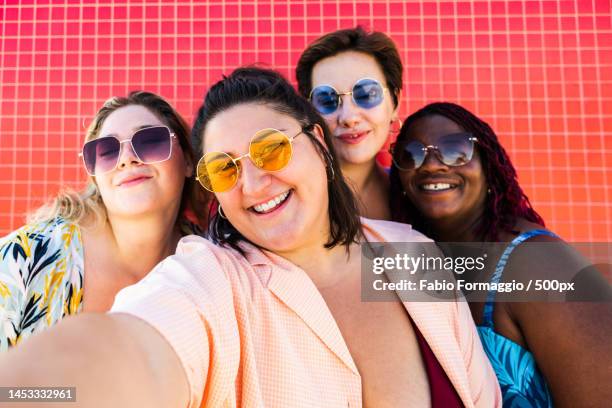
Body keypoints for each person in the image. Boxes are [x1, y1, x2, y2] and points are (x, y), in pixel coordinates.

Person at [0, 69, 501, 407]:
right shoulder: (212, 278)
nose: (254, 184)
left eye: (271, 150)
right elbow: (133, 346)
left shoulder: (413, 252)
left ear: (320, 144)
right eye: (225, 168)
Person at [389, 102, 612, 406]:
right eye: (411, 155)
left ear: (489, 164)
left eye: (456, 149)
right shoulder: (424, 262)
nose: (431, 165)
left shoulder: (537, 262)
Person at [0, 91, 204, 351]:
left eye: (150, 140)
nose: (127, 158)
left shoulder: (206, 266)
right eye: (106, 151)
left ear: (187, 160)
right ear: (96, 177)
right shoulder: (25, 258)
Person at [296, 26, 402, 220]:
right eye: (327, 101)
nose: (348, 118)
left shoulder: (415, 196)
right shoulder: (294, 203)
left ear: (395, 102)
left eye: (367, 95)